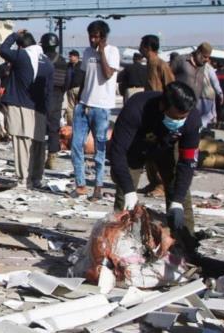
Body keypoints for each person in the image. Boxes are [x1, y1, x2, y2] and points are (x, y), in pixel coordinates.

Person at [110, 82, 200, 235]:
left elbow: (187, 162)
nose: (179, 121)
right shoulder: (136, 108)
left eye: (182, 118)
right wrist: (129, 191)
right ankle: (118, 244)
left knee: (180, 195)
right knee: (125, 201)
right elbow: (117, 152)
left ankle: (186, 244)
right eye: (175, 117)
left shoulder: (192, 119)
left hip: (167, 148)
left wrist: (177, 200)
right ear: (163, 106)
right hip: (135, 148)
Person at [69, 21, 120, 201]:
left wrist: (102, 52)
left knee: (100, 148)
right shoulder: (86, 52)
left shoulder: (112, 51)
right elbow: (85, 76)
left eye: (96, 36)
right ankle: (80, 185)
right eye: (91, 36)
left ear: (103, 37)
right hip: (84, 105)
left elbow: (107, 74)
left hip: (102, 107)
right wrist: (79, 98)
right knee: (76, 145)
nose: (92, 39)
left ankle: (98, 186)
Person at [0, 30, 53, 189]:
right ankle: (36, 178)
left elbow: (3, 50)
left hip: (20, 104)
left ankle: (24, 180)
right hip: (40, 109)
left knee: (22, 143)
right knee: (38, 145)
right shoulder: (47, 62)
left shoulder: (22, 56)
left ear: (21, 46)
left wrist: (14, 35)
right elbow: (49, 91)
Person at [138, 34, 174, 197]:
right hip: (150, 113)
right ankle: (153, 181)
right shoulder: (149, 64)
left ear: (147, 47)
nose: (139, 48)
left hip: (160, 114)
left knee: (159, 150)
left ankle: (161, 184)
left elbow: (171, 87)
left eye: (141, 45)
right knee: (148, 148)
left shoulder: (161, 64)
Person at [39, 33, 67, 168]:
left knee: (38, 126)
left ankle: (38, 156)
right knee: (54, 128)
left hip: (42, 96)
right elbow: (67, 81)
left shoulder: (41, 60)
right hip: (57, 96)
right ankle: (52, 157)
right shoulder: (62, 60)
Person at [199, 61, 223, 129]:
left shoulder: (194, 65)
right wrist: (220, 94)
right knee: (205, 117)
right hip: (207, 95)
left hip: (196, 95)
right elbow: (215, 83)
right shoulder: (209, 68)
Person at [64, 50, 84, 125]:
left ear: (76, 57)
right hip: (70, 89)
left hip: (80, 88)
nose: (70, 57)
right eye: (69, 56)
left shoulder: (82, 65)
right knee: (70, 108)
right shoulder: (68, 66)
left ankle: (80, 123)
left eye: (71, 56)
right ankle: (71, 124)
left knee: (80, 107)